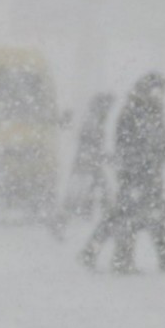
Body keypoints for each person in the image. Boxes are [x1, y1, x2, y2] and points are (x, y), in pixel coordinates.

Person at [79, 72, 165, 273]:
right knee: (129, 218)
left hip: (151, 177)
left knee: (151, 216)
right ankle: (121, 260)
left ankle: (99, 253)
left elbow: (164, 144)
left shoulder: (155, 112)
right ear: (145, 90)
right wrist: (132, 169)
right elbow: (123, 146)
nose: (158, 95)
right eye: (155, 91)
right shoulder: (131, 113)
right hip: (135, 177)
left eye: (161, 92)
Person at [49, 91, 115, 237]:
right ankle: (59, 222)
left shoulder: (95, 119)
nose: (109, 110)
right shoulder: (93, 121)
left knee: (100, 195)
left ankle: (109, 225)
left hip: (90, 165)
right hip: (86, 166)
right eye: (107, 106)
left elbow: (90, 144)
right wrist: (105, 157)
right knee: (77, 197)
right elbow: (89, 144)